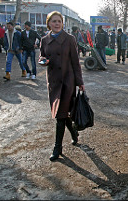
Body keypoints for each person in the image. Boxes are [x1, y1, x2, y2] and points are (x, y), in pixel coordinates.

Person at [39, 11, 85, 161]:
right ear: (49, 23)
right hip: (53, 82)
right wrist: (43, 60)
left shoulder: (70, 39)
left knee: (60, 115)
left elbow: (75, 63)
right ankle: (74, 133)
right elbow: (42, 55)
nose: (57, 23)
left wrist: (80, 83)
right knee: (63, 114)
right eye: (54, 21)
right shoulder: (44, 40)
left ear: (62, 23)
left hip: (67, 82)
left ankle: (57, 148)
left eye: (59, 21)